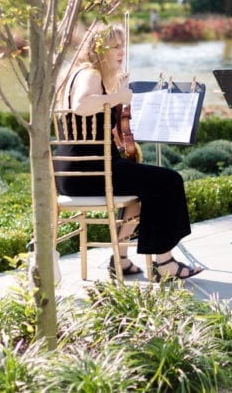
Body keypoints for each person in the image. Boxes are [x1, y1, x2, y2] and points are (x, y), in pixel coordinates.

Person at [54, 24, 203, 281]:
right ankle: (165, 262)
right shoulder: (89, 74)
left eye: (122, 46)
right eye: (114, 47)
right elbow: (81, 106)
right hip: (93, 172)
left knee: (141, 191)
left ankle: (120, 260)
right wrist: (117, 96)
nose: (121, 52)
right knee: (169, 181)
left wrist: (115, 92)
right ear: (98, 50)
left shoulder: (75, 74)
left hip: (72, 173)